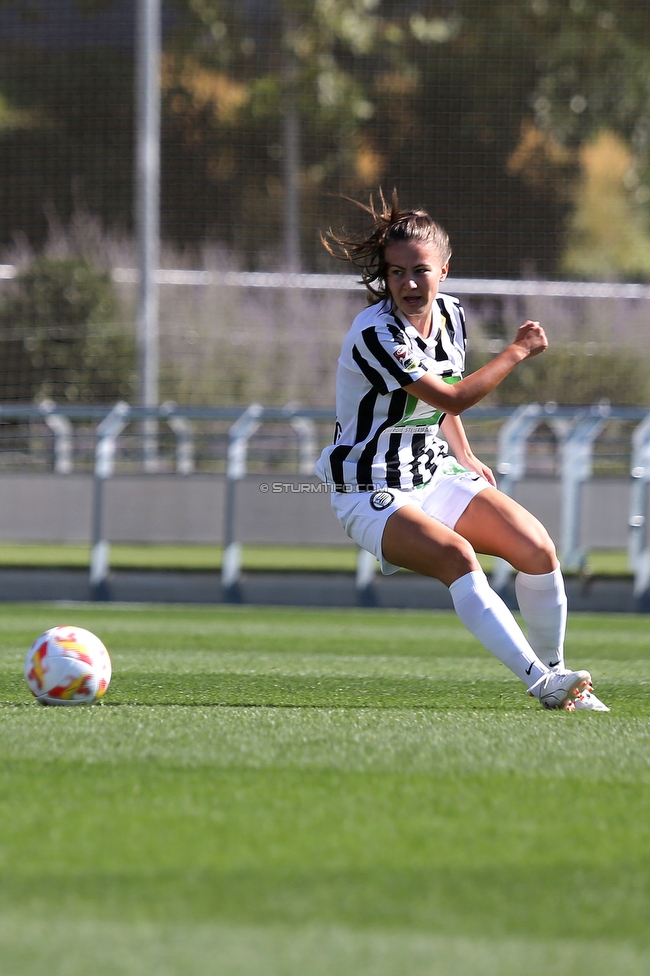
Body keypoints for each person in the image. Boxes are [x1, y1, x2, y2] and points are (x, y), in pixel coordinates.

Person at [315, 191, 608, 711]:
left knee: (536, 548)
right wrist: (517, 351)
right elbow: (451, 395)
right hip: (370, 490)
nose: (407, 282)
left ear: (444, 271)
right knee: (457, 556)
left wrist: (465, 454)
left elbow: (440, 401)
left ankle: (564, 682)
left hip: (433, 473)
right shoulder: (378, 333)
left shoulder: (451, 315)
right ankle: (541, 684)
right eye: (396, 271)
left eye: (419, 271)